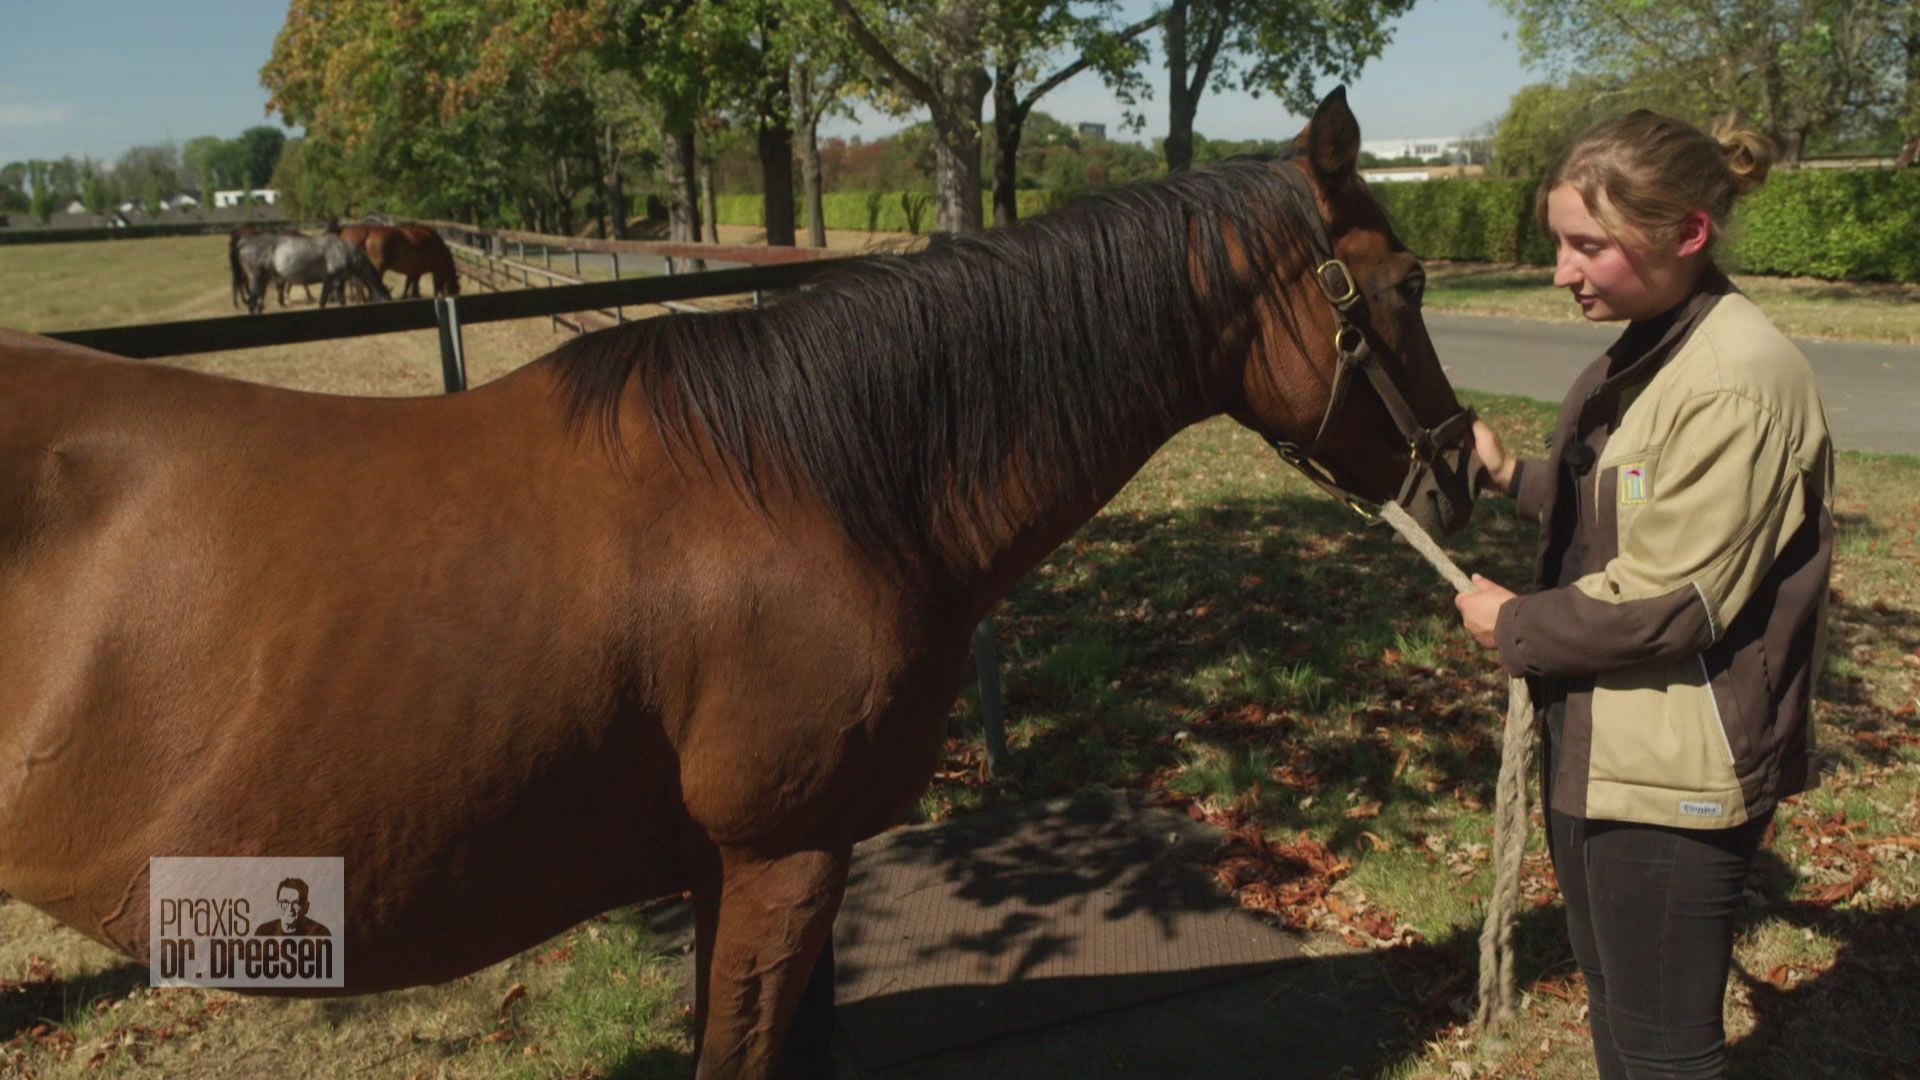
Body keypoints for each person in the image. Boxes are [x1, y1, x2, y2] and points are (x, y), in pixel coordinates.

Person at [1454, 111, 1834, 1079]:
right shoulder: (1655, 343)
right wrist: (1515, 478)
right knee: (1621, 1021)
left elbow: (1668, 600)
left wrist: (1516, 625)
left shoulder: (1737, 382)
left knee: (1664, 1047)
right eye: (1558, 243)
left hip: (1676, 782)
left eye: (1589, 246)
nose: (1561, 272)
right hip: (1605, 750)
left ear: (1688, 234)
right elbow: (1631, 504)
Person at [254, 877, 332, 937]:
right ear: (277, 904)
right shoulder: (263, 932)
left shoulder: (321, 934)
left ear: (306, 907)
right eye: (284, 902)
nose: (290, 909)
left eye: (296, 904)